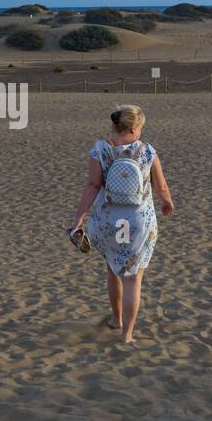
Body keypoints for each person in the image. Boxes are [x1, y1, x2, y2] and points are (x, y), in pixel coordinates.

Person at [69, 105, 174, 345]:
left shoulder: (100, 150)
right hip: (138, 222)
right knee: (133, 278)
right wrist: (167, 202)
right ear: (133, 128)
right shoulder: (147, 151)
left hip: (108, 222)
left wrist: (79, 220)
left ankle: (116, 319)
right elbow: (161, 186)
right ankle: (127, 335)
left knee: (113, 268)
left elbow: (93, 186)